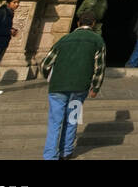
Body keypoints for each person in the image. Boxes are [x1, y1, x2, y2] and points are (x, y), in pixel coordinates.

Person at [38, 12, 105, 160]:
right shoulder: (97, 40)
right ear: (93, 24)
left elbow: (45, 63)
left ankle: (50, 156)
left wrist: (49, 77)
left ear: (78, 23)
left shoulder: (64, 39)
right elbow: (99, 67)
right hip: (79, 88)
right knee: (73, 118)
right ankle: (66, 151)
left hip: (58, 87)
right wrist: (95, 87)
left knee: (55, 122)